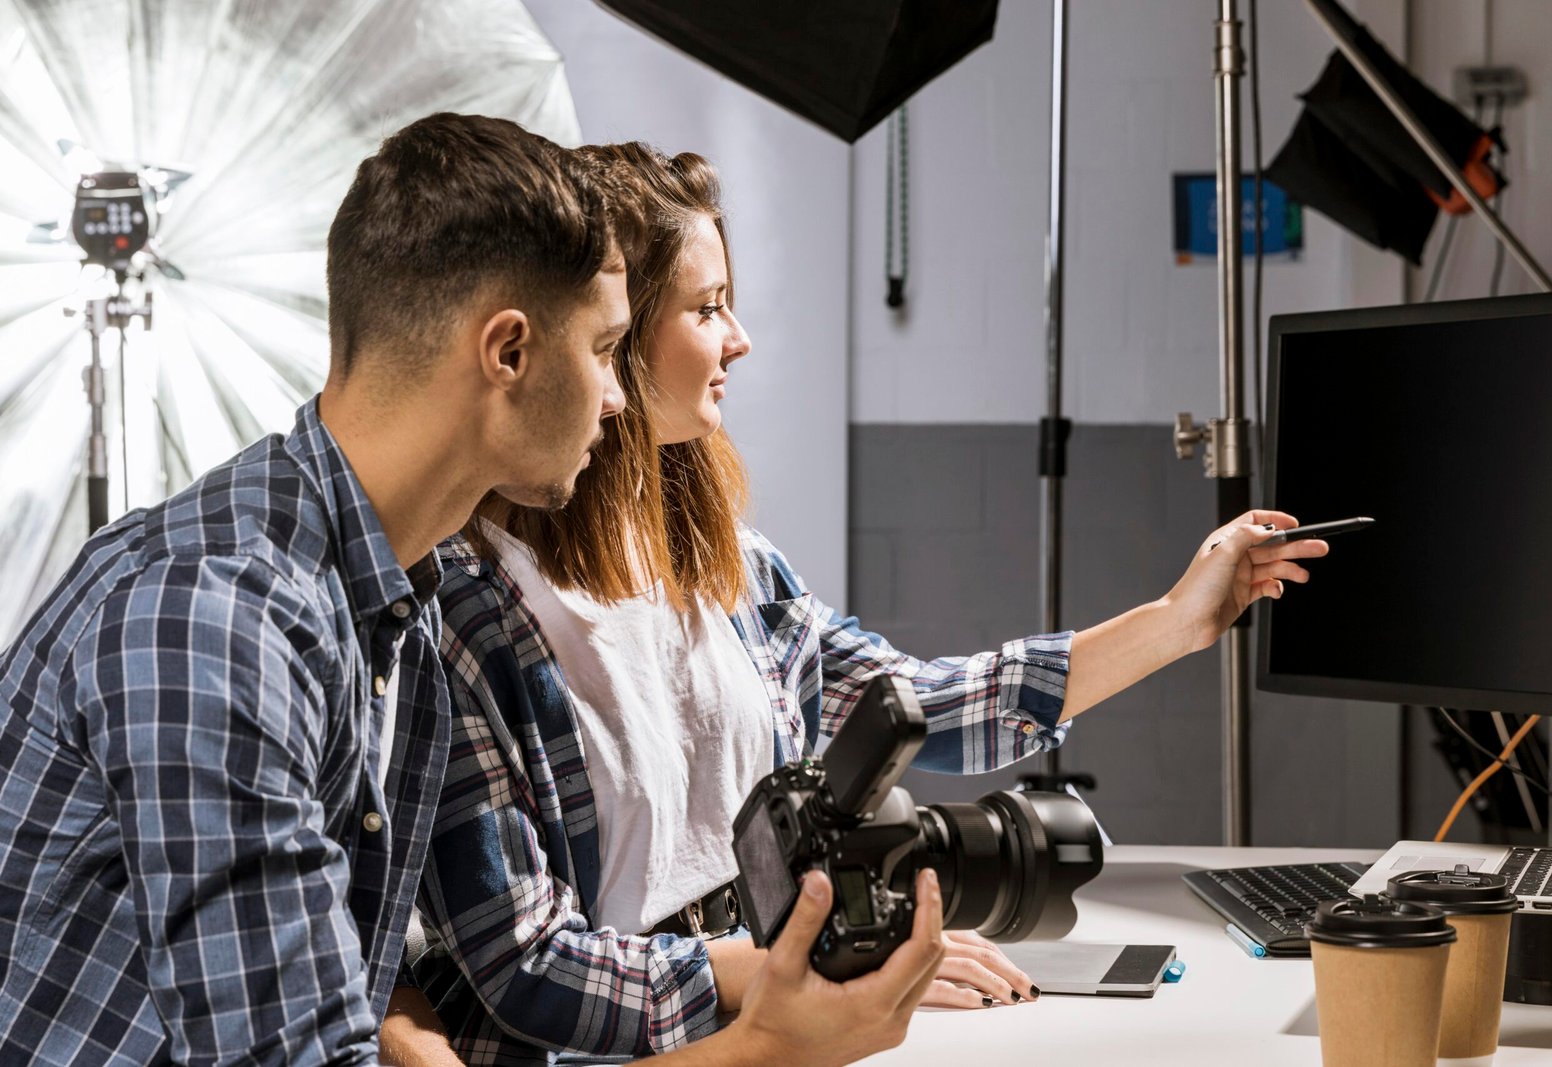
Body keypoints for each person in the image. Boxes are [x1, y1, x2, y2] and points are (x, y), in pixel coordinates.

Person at [0, 113, 934, 1067]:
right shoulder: (221, 625)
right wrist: (766, 1049)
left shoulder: (391, 595)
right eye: (607, 349)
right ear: (509, 353)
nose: (617, 399)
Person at [390, 142, 1329, 1065]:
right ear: (616, 333)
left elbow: (919, 707)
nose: (739, 338)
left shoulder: (731, 568)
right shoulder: (473, 613)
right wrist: (772, 975)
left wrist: (1180, 618)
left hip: (770, 1018)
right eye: (708, 308)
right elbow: (524, 971)